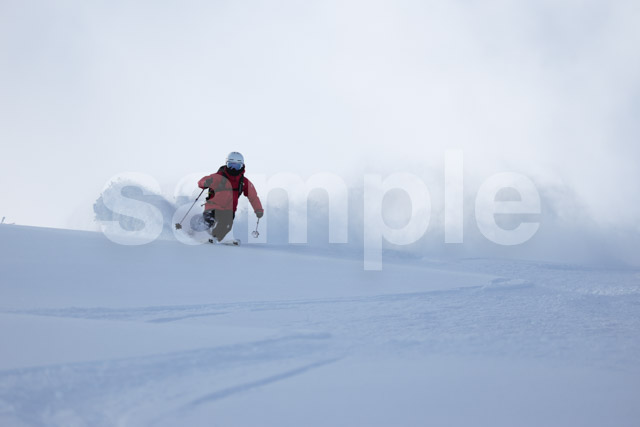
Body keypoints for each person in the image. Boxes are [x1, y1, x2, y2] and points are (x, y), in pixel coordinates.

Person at [198, 152, 264, 243]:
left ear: (242, 166)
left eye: (237, 166)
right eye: (231, 165)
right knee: (209, 220)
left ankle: (214, 238)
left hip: (229, 210)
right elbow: (201, 182)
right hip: (213, 207)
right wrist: (205, 182)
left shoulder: (243, 182)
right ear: (226, 164)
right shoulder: (218, 176)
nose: (233, 169)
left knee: (226, 225)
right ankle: (200, 235)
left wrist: (258, 209)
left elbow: (253, 196)